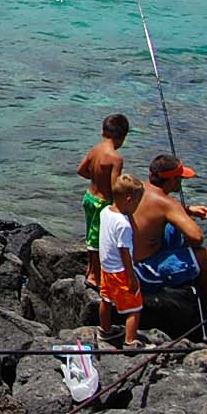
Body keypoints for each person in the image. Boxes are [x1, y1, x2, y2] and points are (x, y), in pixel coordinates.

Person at [133, 154, 207, 312]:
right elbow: (197, 238)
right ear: (173, 180)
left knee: (172, 226)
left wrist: (187, 211)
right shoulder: (168, 203)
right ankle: (206, 299)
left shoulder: (138, 188)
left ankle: (181, 275)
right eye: (180, 178)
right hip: (143, 275)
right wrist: (184, 218)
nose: (181, 182)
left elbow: (154, 215)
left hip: (126, 263)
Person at [77, 113, 130, 288]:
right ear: (122, 137)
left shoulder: (95, 149)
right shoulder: (116, 158)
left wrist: (96, 179)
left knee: (90, 234)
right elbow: (116, 186)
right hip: (102, 203)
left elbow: (81, 170)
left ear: (102, 131)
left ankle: (90, 268)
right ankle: (94, 275)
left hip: (89, 197)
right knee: (98, 239)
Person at [99, 173, 145, 345]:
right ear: (128, 199)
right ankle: (130, 341)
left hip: (106, 268)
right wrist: (131, 276)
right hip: (120, 271)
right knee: (135, 308)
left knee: (106, 299)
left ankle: (105, 330)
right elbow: (124, 251)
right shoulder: (123, 224)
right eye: (137, 202)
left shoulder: (105, 212)